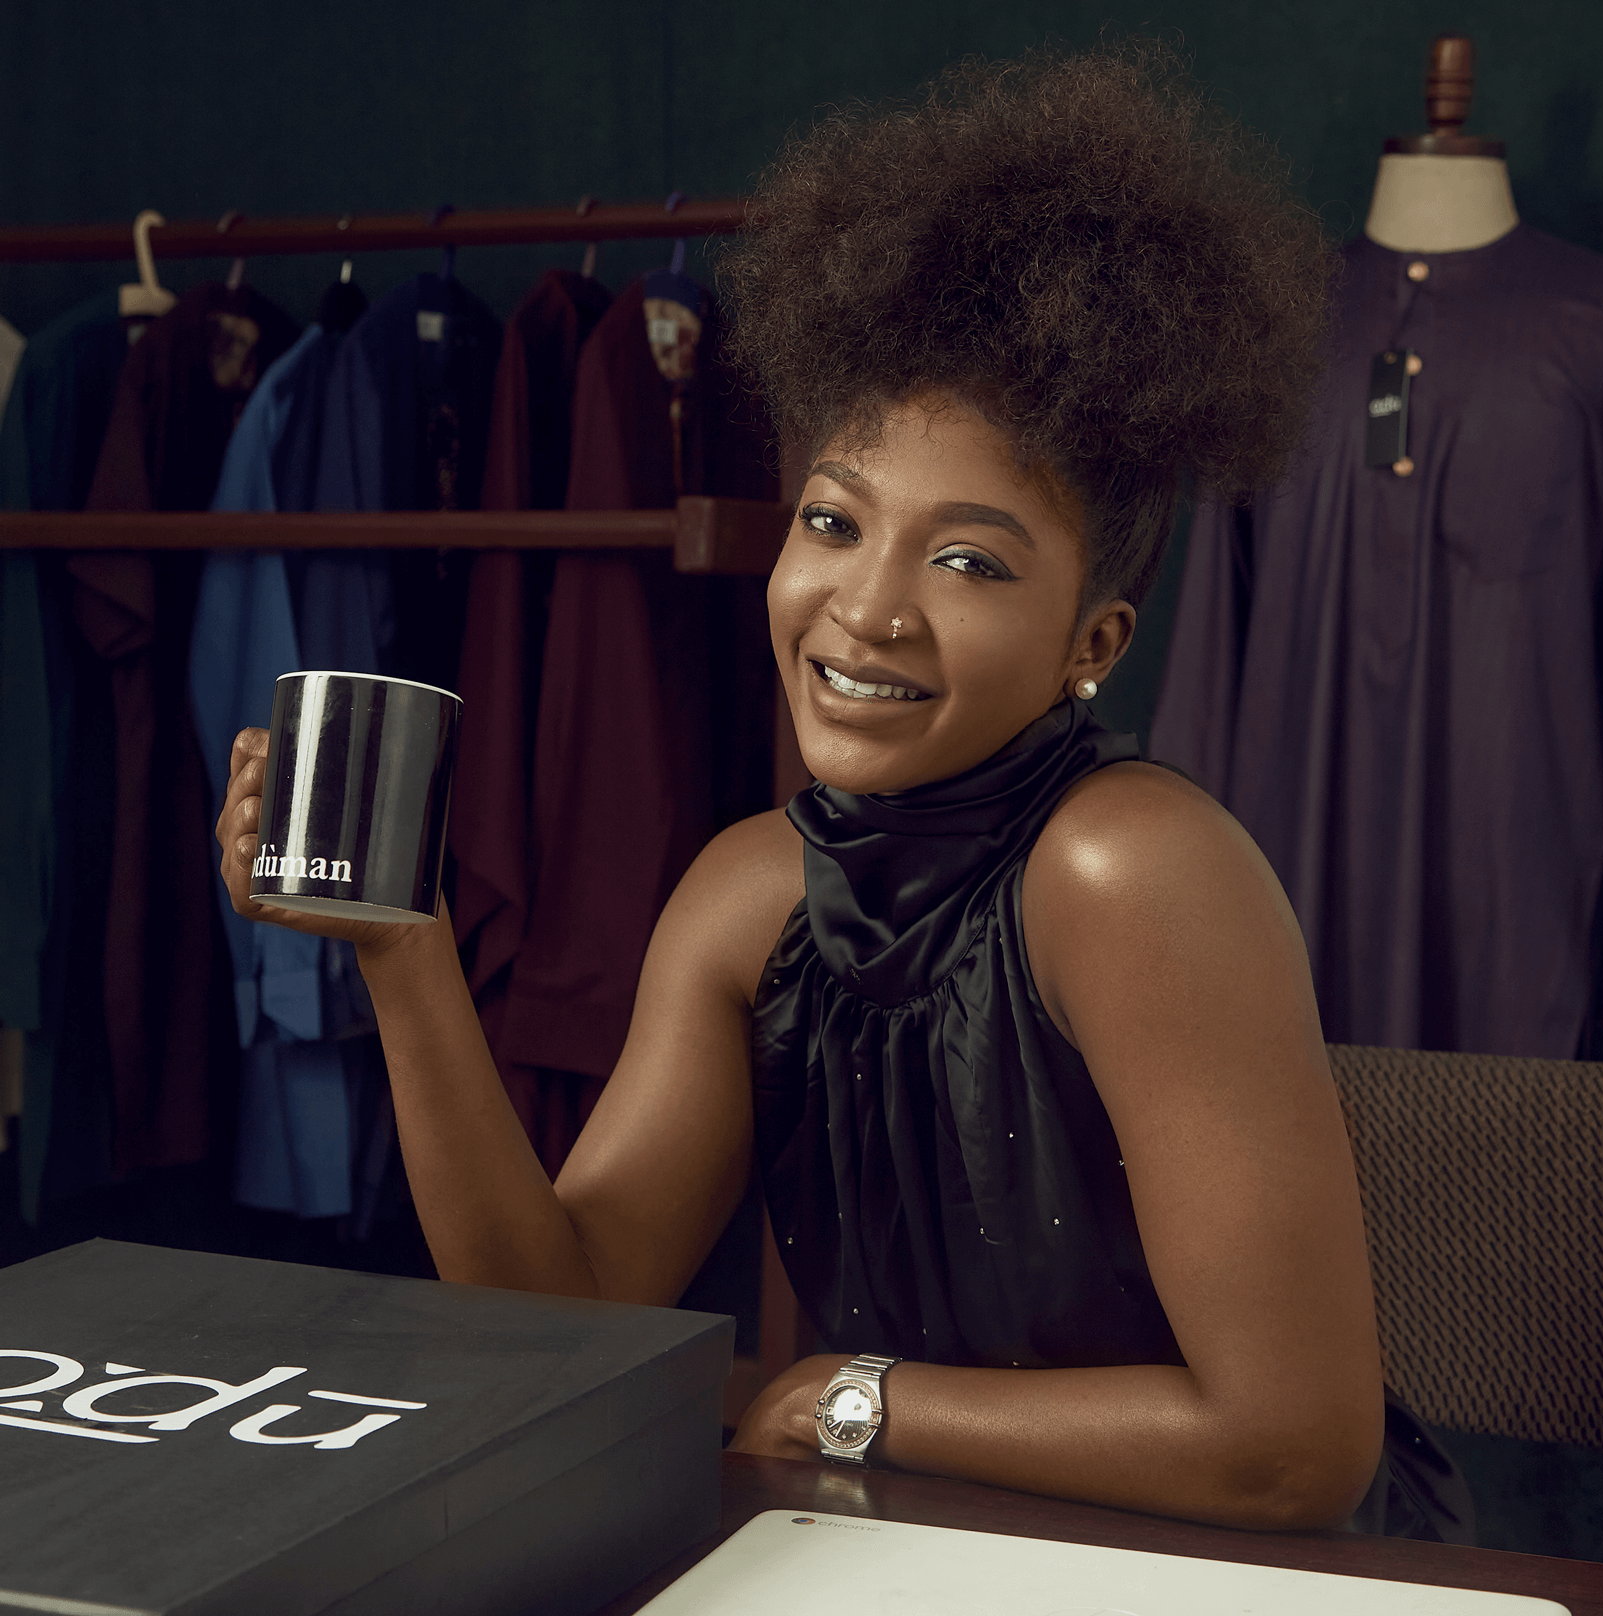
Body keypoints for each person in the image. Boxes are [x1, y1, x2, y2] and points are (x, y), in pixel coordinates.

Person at [216, 45, 1472, 1538]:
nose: (864, 609)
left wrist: (852, 1399)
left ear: (1094, 643)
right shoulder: (752, 894)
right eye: (833, 520)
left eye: (968, 560)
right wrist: (401, 950)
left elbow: (1289, 1451)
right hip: (924, 1550)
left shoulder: (1131, 872)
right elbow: (563, 1304)